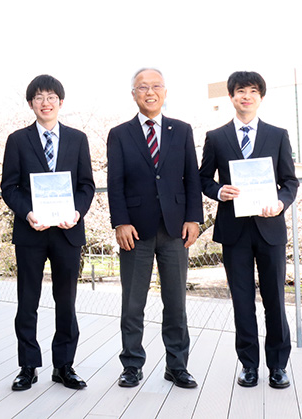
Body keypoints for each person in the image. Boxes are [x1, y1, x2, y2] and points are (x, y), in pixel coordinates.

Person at [199, 71, 298, 389]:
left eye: (253, 91)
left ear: (261, 97)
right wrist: (218, 191)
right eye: (240, 91)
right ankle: (249, 365)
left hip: (270, 228)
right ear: (231, 97)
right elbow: (203, 178)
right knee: (242, 301)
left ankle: (278, 366)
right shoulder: (216, 137)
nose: (246, 96)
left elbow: (290, 182)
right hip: (234, 231)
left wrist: (281, 203)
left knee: (275, 300)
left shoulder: (278, 134)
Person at [107, 68, 203, 389]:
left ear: (165, 91)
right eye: (142, 87)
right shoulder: (120, 134)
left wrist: (194, 219)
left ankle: (177, 365)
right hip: (135, 229)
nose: (150, 92)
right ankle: (132, 365)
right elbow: (115, 183)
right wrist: (120, 221)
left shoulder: (182, 130)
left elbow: (192, 178)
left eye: (155, 86)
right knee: (133, 303)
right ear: (133, 94)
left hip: (176, 228)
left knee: (175, 301)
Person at [0, 75, 95, 391]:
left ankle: (64, 366)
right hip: (32, 231)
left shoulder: (78, 139)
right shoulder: (17, 140)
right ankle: (28, 366)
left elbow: (86, 185)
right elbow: (9, 186)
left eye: (51, 96)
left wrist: (76, 212)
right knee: (28, 300)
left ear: (60, 102)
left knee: (66, 301)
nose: (45, 102)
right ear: (31, 103)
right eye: (39, 97)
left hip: (68, 231)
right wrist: (27, 213)